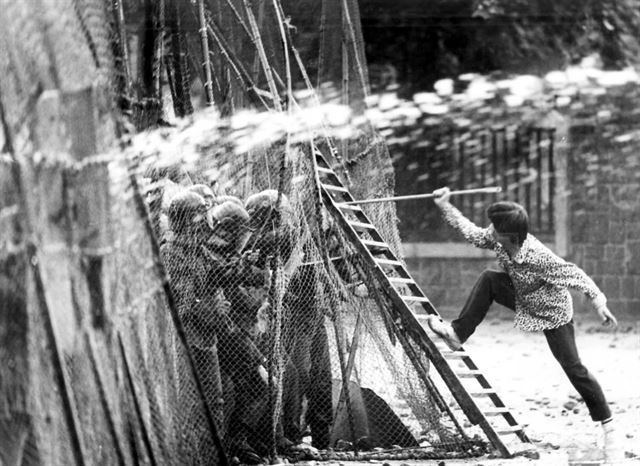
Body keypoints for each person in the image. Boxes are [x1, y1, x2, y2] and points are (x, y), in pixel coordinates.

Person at [426, 186, 624, 464]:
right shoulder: (497, 238)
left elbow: (575, 275)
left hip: (554, 313)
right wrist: (445, 206)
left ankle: (608, 425)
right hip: (522, 297)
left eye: (496, 230)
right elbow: (472, 233)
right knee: (489, 278)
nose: (490, 232)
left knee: (573, 368)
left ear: (512, 237)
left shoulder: (538, 255)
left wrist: (600, 304)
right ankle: (457, 333)